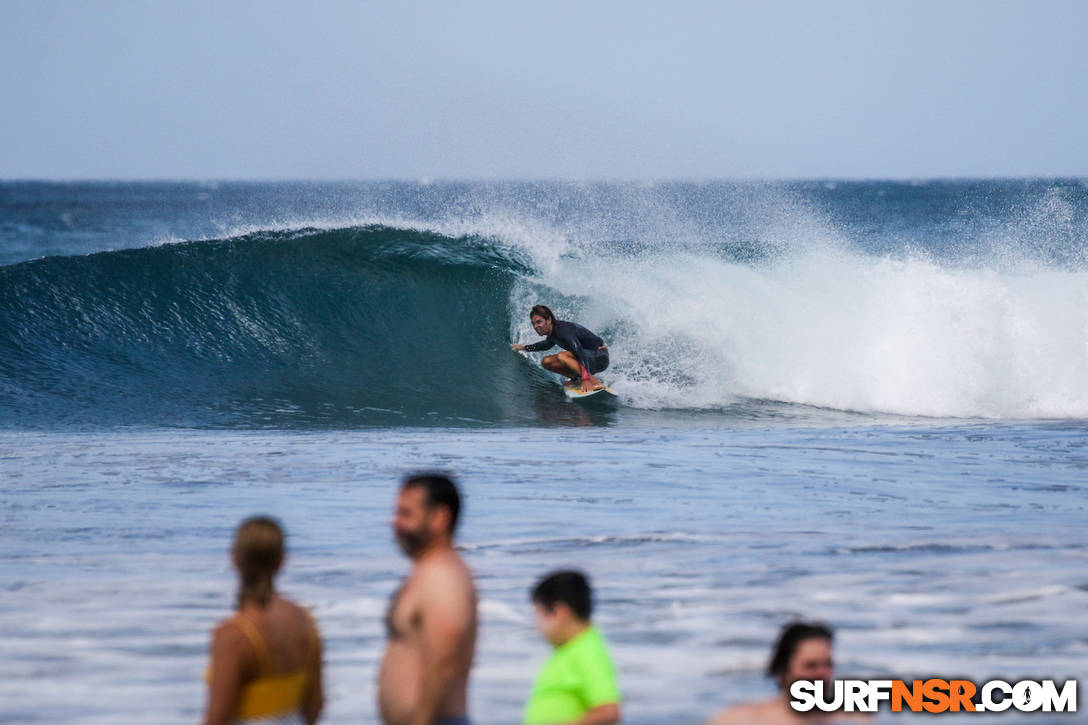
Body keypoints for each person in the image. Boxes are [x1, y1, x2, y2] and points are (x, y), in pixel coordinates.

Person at [203, 516, 323, 725]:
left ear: (234, 558)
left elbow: (217, 719)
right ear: (282, 559)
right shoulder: (304, 621)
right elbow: (315, 705)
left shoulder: (233, 635)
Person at [380, 474, 478, 725]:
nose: (394, 522)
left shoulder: (442, 578)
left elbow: (443, 667)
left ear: (439, 518)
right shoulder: (427, 571)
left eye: (405, 514)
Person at [705, 621, 870, 725]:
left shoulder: (852, 719)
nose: (823, 674)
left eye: (828, 665)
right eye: (811, 666)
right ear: (783, 672)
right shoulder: (740, 719)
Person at [524, 570, 621, 725]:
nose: (537, 625)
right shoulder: (568, 650)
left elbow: (609, 711)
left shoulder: (586, 650)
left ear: (560, 612)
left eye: (539, 615)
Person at [511, 305, 609, 393]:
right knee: (546, 361)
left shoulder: (563, 331)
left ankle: (593, 381)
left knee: (562, 356)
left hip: (600, 356)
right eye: (533, 324)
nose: (535, 326)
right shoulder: (553, 333)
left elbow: (579, 351)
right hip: (588, 359)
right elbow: (546, 345)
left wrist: (586, 379)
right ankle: (577, 380)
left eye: (538, 322)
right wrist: (524, 348)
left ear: (549, 320)